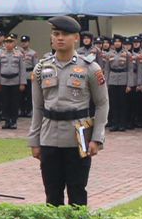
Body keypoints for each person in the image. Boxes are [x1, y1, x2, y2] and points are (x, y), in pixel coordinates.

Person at [27, 15, 108, 206]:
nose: (59, 38)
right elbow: (37, 107)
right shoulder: (41, 68)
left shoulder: (90, 68)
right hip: (49, 137)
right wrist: (34, 140)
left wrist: (97, 138)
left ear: (76, 38)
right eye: (56, 34)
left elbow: (102, 103)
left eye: (65, 34)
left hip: (78, 136)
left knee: (77, 191)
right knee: (52, 194)